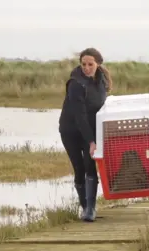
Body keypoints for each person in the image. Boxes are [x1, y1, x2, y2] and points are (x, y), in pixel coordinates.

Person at [58, 48, 112, 222]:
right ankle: (85, 207)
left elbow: (103, 108)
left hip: (92, 129)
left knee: (90, 166)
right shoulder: (76, 84)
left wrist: (96, 137)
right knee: (79, 168)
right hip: (71, 130)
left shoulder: (102, 82)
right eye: (83, 64)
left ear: (98, 64)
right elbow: (79, 115)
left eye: (90, 64)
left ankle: (90, 208)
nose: (87, 68)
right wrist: (91, 141)